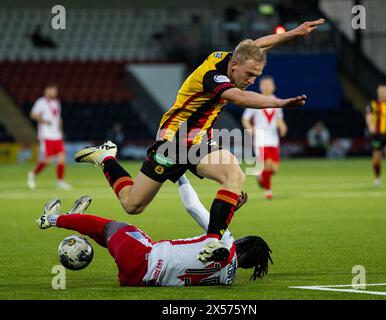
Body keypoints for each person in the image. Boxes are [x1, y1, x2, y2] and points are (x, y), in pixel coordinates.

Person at [74, 19, 324, 262]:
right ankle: (106, 157)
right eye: (249, 75)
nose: (251, 81)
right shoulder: (213, 75)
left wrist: (294, 32)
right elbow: (238, 98)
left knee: (234, 175)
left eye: (256, 76)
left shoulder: (233, 58)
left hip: (200, 142)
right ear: (235, 65)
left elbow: (258, 45)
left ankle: (212, 241)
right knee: (132, 205)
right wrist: (279, 103)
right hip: (173, 141)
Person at [37, 175, 273, 286]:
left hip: (144, 256)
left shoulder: (225, 242)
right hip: (138, 280)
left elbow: (193, 207)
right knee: (115, 238)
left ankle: (53, 218)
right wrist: (228, 217)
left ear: (243, 241)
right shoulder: (227, 280)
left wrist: (180, 174)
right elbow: (219, 246)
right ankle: (77, 220)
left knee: (112, 226)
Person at [241, 75, 287, 199]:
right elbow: (245, 119)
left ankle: (260, 175)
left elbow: (279, 120)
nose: (267, 86)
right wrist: (250, 130)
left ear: (274, 87)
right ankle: (268, 191)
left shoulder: (277, 101)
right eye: (264, 84)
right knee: (267, 165)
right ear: (260, 87)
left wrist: (282, 127)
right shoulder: (255, 101)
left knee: (275, 169)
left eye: (269, 84)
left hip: (273, 139)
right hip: (260, 139)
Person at [27, 83, 72, 190]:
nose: (54, 92)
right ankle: (32, 174)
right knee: (48, 160)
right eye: (52, 90)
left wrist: (61, 131)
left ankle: (60, 181)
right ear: (46, 91)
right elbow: (33, 114)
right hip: (46, 135)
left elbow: (58, 118)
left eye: (55, 90)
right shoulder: (41, 102)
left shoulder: (57, 102)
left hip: (57, 135)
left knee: (62, 158)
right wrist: (43, 120)